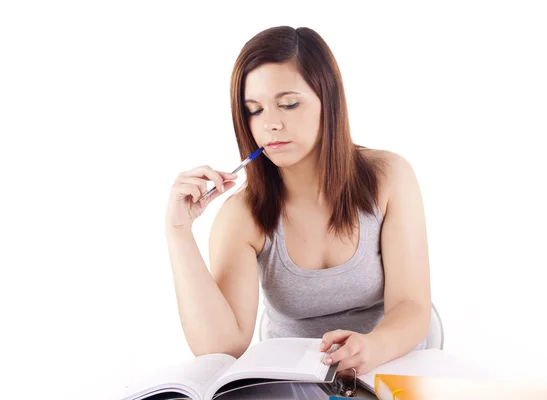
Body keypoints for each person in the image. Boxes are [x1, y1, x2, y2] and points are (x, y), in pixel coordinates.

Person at [165, 26, 432, 377]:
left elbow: (412, 305)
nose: (271, 124)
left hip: (392, 363)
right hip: (297, 380)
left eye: (288, 104)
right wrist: (178, 232)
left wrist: (372, 347)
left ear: (329, 100)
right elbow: (221, 348)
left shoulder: (390, 177)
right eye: (254, 110)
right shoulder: (242, 215)